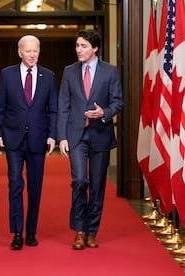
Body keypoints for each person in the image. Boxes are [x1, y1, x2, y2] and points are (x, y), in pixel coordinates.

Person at [57, 29, 124, 250]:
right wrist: (62, 137)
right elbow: (63, 106)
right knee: (79, 182)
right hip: (76, 136)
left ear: (95, 48)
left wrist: (103, 113)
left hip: (100, 135)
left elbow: (118, 102)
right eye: (77, 46)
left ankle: (92, 232)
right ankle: (79, 230)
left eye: (83, 46)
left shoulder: (110, 71)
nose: (79, 50)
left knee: (96, 186)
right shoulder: (69, 71)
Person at [0, 34, 57, 250]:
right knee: (16, 185)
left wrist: (52, 135)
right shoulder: (7, 75)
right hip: (13, 140)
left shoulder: (49, 76)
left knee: (35, 188)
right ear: (20, 52)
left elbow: (53, 110)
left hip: (38, 140)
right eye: (28, 50)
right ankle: (17, 233)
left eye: (35, 50)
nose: (32, 54)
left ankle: (31, 232)